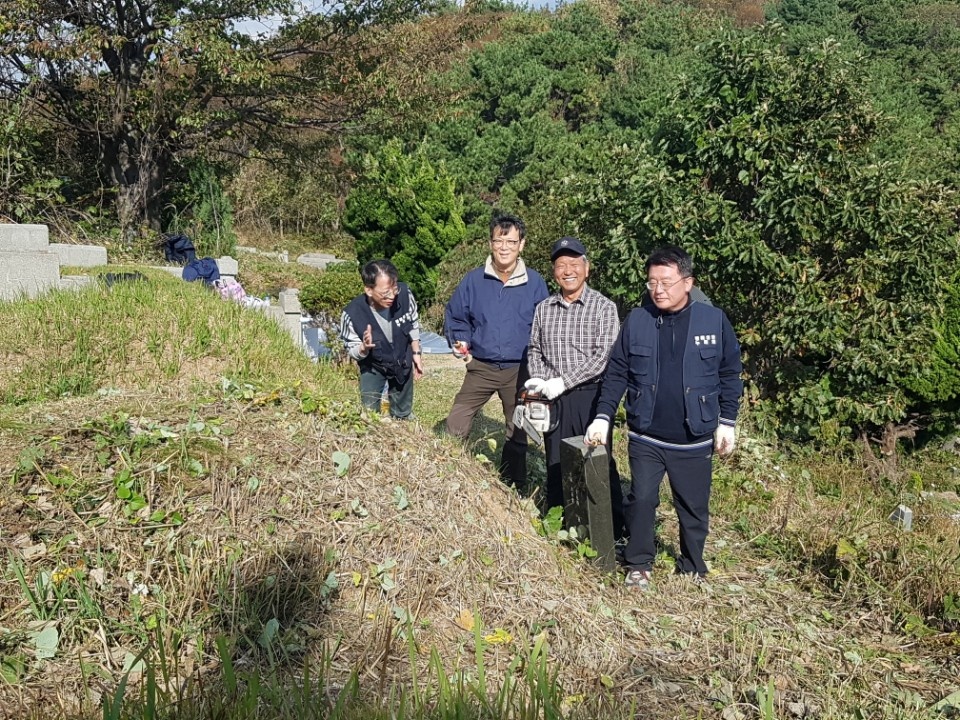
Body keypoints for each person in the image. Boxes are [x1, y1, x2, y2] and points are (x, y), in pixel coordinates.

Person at [585, 246, 743, 590]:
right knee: (641, 499)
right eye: (652, 282)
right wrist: (602, 416)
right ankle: (639, 562)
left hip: (694, 435)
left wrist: (727, 421)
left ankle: (692, 564)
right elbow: (617, 373)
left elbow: (730, 373)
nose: (658, 289)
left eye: (666, 282)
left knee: (693, 505)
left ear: (688, 283)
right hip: (646, 435)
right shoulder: (638, 320)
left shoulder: (713, 320)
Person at [525, 237, 624, 534]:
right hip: (553, 400)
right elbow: (534, 349)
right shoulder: (544, 308)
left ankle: (613, 528)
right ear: (554, 271)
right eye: (560, 265)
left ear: (586, 268)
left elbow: (603, 355)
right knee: (555, 462)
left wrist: (563, 382)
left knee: (597, 461)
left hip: (590, 396)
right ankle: (561, 524)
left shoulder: (603, 307)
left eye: (574, 264)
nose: (567, 270)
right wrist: (541, 380)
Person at [444, 213, 549, 488]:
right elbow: (457, 316)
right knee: (457, 420)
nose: (504, 247)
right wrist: (461, 339)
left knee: (517, 428)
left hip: (519, 368)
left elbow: (545, 325)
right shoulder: (474, 280)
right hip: (482, 366)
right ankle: (447, 469)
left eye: (511, 242)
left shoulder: (535, 283)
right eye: (499, 241)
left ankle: (513, 483)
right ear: (490, 243)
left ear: (522, 245)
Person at [339, 259, 423, 419]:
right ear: (369, 290)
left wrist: (416, 353)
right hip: (373, 364)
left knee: (403, 413)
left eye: (395, 289)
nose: (392, 296)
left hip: (402, 360)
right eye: (385, 292)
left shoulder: (405, 294)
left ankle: (404, 429)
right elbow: (351, 348)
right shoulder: (352, 314)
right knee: (370, 414)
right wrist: (363, 348)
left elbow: (413, 323)